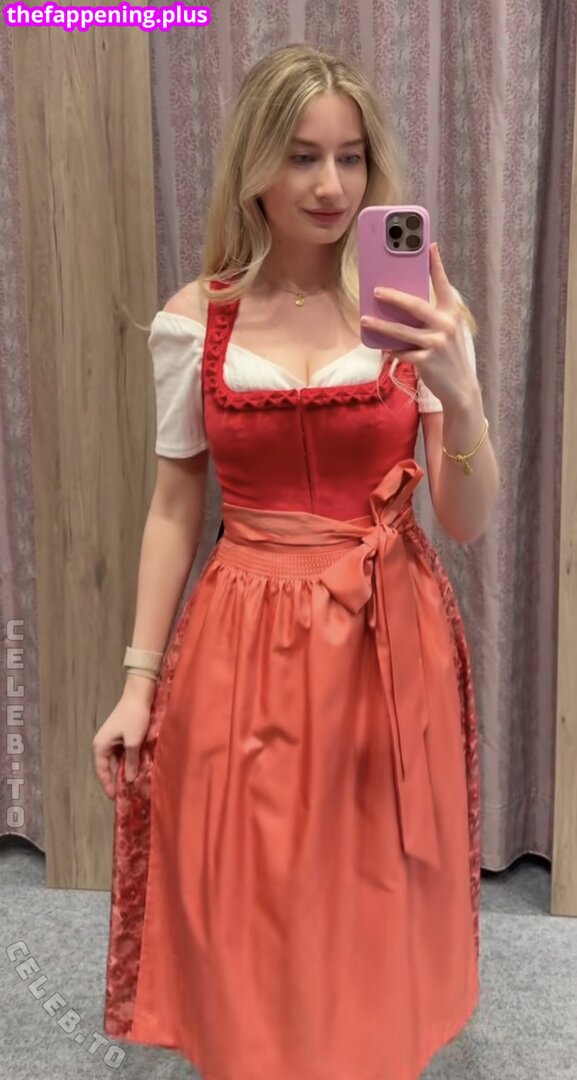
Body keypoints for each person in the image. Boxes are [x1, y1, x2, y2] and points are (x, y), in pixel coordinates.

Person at [94, 43, 499, 1080]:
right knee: (253, 877)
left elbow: (465, 519)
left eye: (350, 158)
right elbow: (174, 507)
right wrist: (137, 681)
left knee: (374, 875)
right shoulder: (194, 321)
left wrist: (460, 395)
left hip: (386, 627)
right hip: (243, 630)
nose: (329, 185)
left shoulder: (416, 312)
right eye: (302, 156)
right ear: (254, 165)